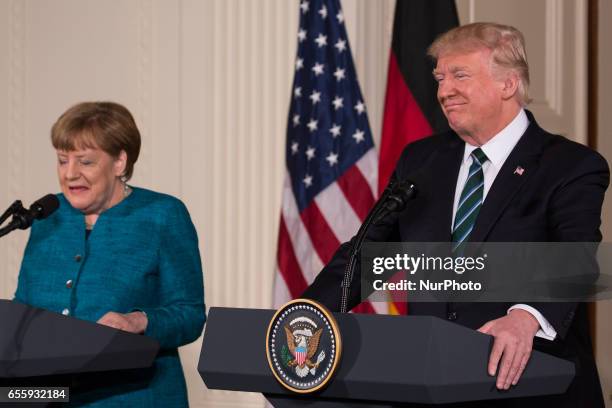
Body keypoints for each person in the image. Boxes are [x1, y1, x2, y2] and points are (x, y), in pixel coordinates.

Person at [302, 22, 607, 407]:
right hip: (431, 387)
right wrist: (304, 315)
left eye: (460, 75)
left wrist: (526, 317)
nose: (444, 91)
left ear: (508, 84)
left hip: (531, 389)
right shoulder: (421, 160)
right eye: (440, 78)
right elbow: (368, 256)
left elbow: (575, 256)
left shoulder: (570, 165)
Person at [14, 101, 206, 407]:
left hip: (135, 397)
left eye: (85, 162)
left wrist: (138, 321)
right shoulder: (48, 217)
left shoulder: (162, 215)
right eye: (63, 161)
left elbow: (190, 314)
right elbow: (23, 310)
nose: (70, 174)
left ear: (119, 162)